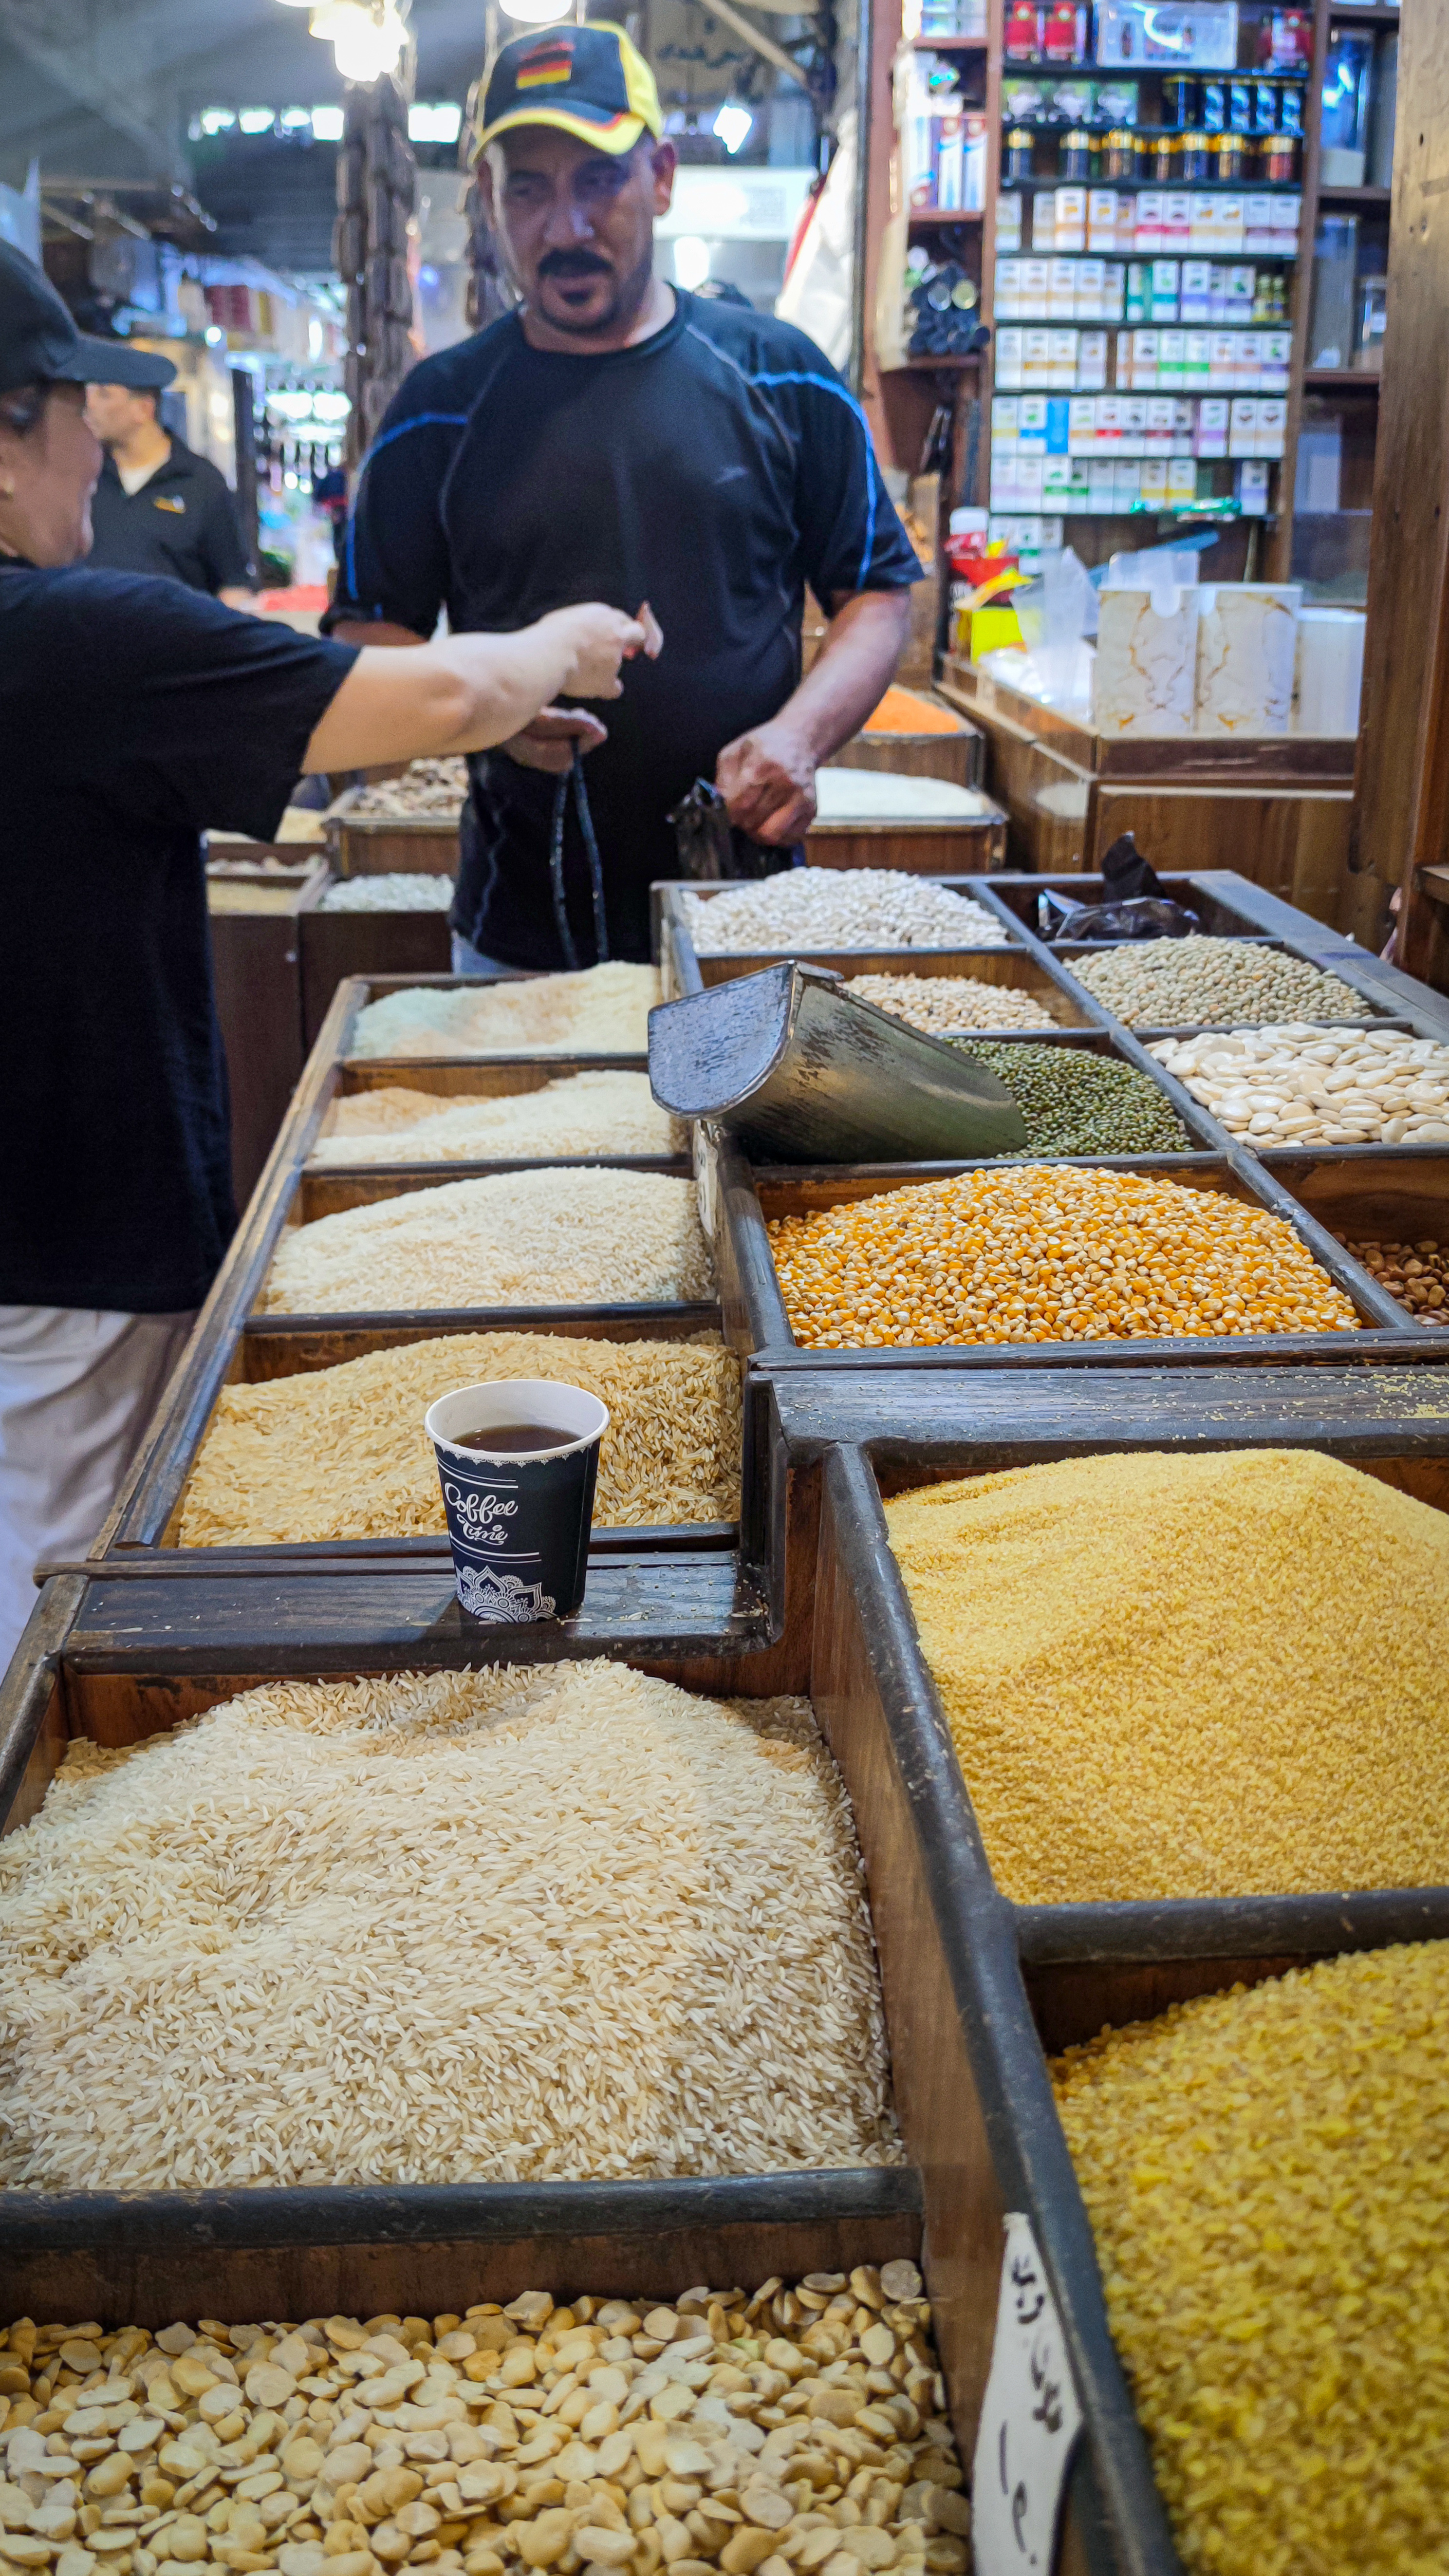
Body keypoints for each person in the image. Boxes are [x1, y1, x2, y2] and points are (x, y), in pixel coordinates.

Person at [0, 240, 649, 1667]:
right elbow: (447, 692)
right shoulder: (71, 640)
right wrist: (560, 639)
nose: (95, 458)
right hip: (64, 1258)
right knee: (54, 1601)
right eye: (72, 415)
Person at [328, 19, 920, 975]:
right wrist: (486, 706)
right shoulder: (438, 411)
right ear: (488, 197)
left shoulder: (784, 377)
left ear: (662, 177)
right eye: (528, 188)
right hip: (521, 935)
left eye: (598, 179)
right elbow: (365, 632)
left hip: (747, 918)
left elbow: (878, 592)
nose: (564, 227)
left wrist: (799, 736)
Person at [85, 358, 257, 605]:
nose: (89, 404)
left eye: (104, 395)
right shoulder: (86, 476)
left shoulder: (201, 482)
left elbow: (234, 585)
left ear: (144, 409)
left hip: (175, 629)